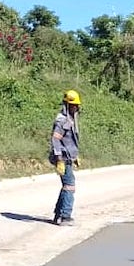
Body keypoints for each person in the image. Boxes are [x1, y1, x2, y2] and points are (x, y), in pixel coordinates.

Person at [50, 90, 82, 224]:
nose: (76, 108)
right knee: (69, 185)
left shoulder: (70, 119)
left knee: (66, 185)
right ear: (67, 105)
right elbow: (55, 140)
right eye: (74, 106)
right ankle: (65, 216)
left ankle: (59, 214)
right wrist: (59, 159)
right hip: (62, 158)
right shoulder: (63, 120)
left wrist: (75, 156)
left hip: (67, 157)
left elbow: (69, 141)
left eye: (77, 106)